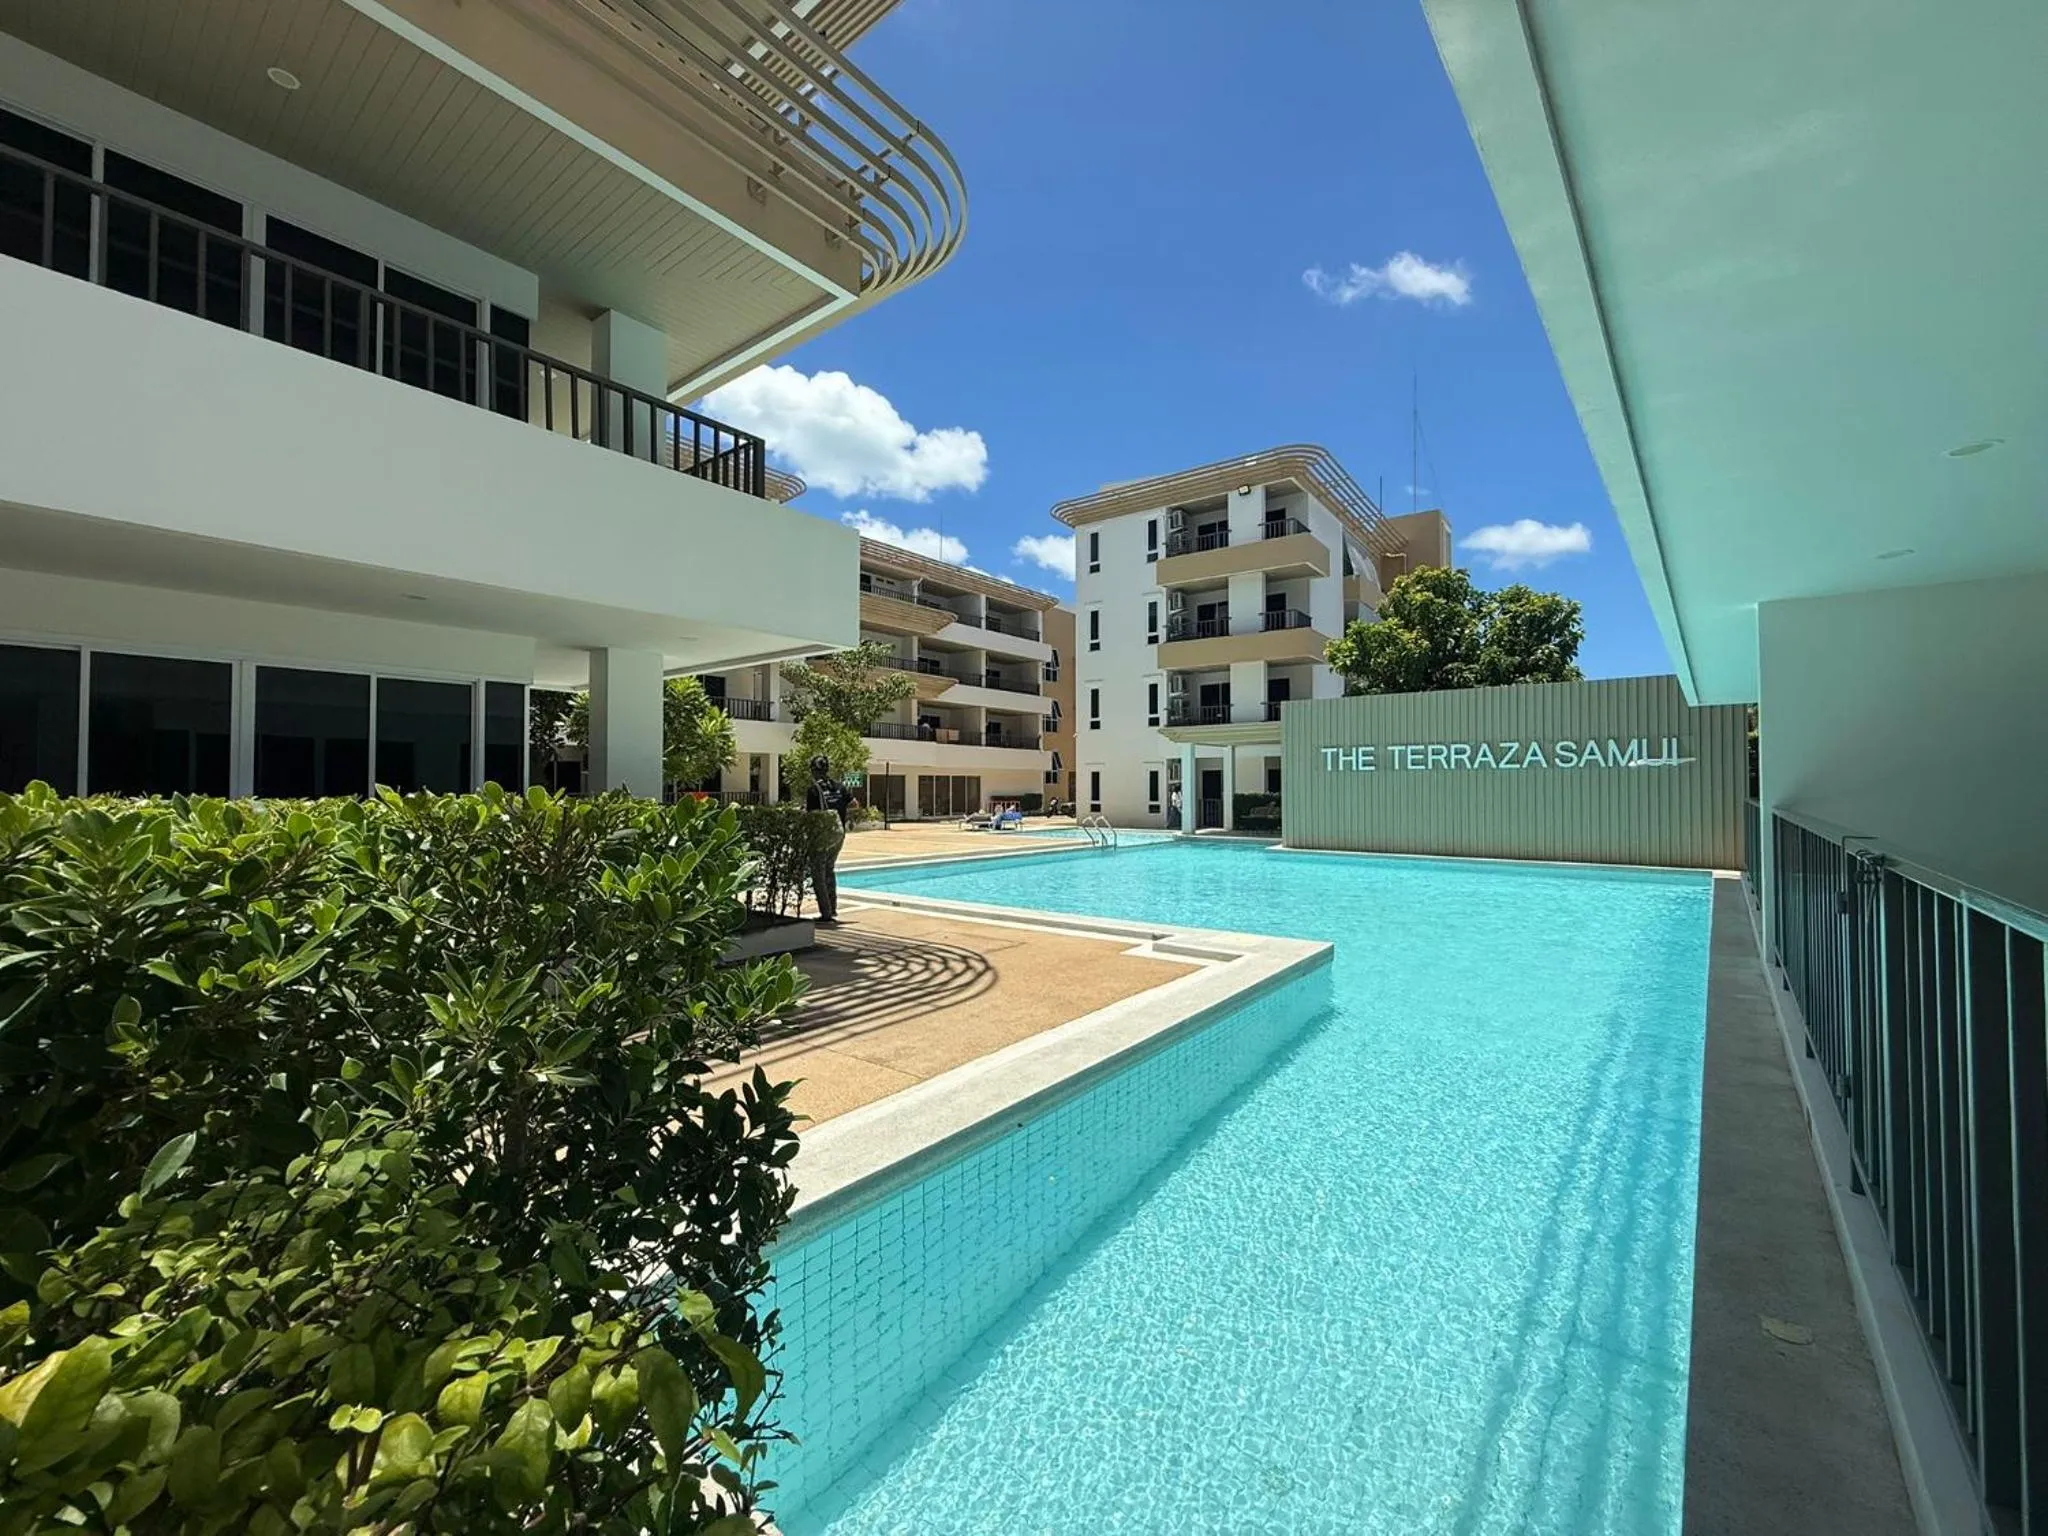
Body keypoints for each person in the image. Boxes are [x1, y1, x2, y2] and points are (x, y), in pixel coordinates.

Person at [803, 755, 850, 923]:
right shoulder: (839, 786)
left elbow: (811, 815)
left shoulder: (814, 790)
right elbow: (854, 803)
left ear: (814, 771)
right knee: (829, 870)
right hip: (838, 833)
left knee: (818, 873)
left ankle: (826, 913)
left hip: (822, 836)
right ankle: (833, 907)